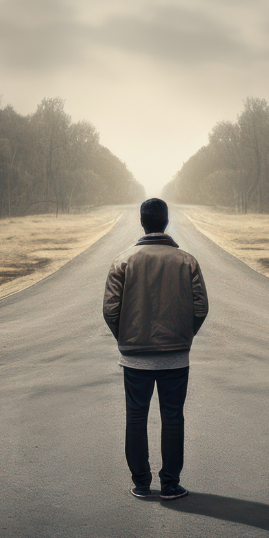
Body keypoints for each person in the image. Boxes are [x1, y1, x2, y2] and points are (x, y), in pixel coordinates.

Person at [103, 198, 208, 500]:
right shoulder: (187, 261)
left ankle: (141, 483)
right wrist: (185, 335)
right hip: (176, 356)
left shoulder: (122, 260)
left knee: (136, 417)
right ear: (166, 221)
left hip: (135, 358)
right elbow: (201, 307)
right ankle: (170, 485)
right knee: (173, 417)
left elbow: (110, 310)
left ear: (142, 222)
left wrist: (126, 338)